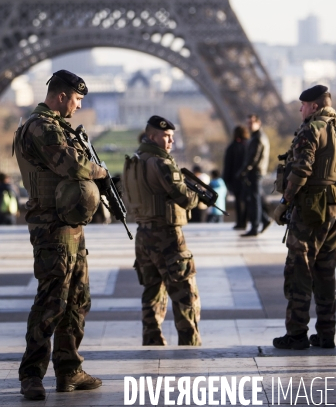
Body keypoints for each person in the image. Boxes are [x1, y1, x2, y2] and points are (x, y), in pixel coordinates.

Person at [13, 70, 109, 400]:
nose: (80, 106)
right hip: (51, 226)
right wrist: (101, 171)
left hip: (68, 225)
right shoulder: (41, 126)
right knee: (52, 299)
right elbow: (71, 166)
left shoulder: (57, 126)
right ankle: (31, 374)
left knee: (78, 299)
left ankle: (69, 370)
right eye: (78, 100)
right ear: (62, 96)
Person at [272, 85, 336, 350]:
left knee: (299, 269)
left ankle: (297, 334)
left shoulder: (311, 129)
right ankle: (326, 334)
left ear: (314, 106)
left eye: (303, 105)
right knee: (325, 271)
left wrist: (284, 202)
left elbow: (301, 170)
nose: (300, 109)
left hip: (313, 209)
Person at [123, 115, 201, 346]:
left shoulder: (134, 162)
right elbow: (185, 198)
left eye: (172, 137)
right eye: (166, 136)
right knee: (185, 294)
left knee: (152, 292)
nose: (170, 142)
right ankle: (189, 344)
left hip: (143, 235)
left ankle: (152, 340)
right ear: (152, 136)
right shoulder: (161, 163)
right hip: (167, 236)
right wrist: (196, 195)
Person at [240, 114, 271, 236]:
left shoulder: (257, 137)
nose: (249, 125)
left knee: (254, 200)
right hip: (257, 171)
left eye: (251, 123)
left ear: (259, 123)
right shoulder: (258, 136)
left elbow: (253, 158)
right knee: (256, 197)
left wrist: (244, 170)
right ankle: (265, 219)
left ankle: (255, 227)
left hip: (255, 172)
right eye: (248, 123)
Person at [222, 126, 249, 229]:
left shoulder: (232, 147)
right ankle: (245, 222)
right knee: (246, 201)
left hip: (235, 179)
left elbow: (228, 165)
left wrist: (226, 179)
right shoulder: (248, 145)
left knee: (238, 201)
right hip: (247, 178)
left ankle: (240, 222)